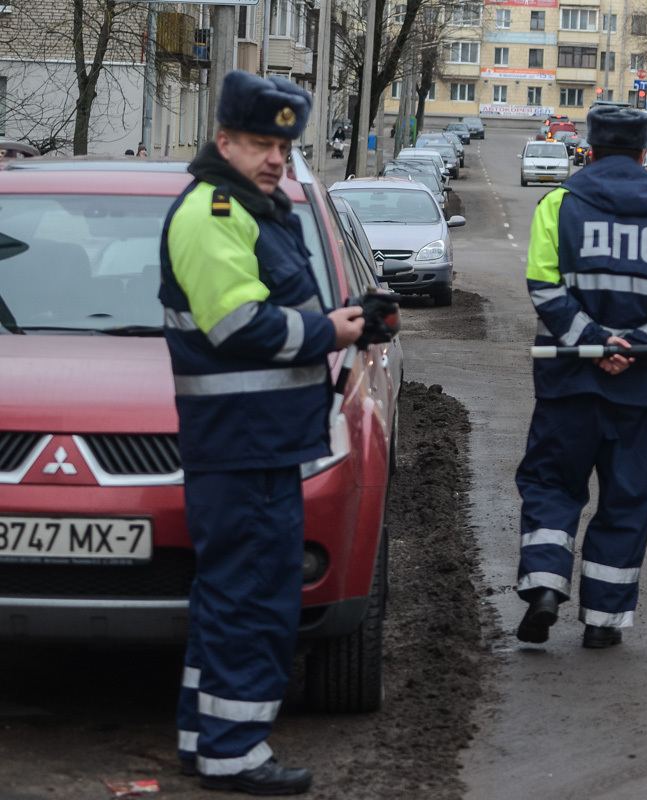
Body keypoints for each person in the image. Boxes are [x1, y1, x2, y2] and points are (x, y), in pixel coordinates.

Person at [159, 70, 364, 794]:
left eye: (282, 144)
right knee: (251, 599)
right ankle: (235, 756)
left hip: (260, 446)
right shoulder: (215, 212)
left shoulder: (255, 209)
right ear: (223, 141)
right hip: (242, 448)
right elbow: (238, 324)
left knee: (231, 597)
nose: (274, 157)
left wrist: (344, 321)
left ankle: (204, 738)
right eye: (257, 143)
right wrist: (329, 330)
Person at [514, 105, 647, 649]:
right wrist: (635, 349)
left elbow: (545, 289)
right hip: (639, 390)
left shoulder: (559, 204)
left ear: (589, 149)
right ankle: (602, 621)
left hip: (567, 383)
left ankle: (546, 586)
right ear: (645, 154)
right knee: (626, 501)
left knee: (552, 484)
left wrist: (592, 343)